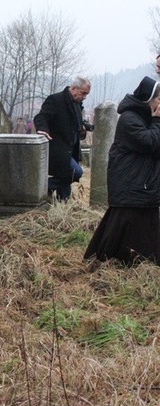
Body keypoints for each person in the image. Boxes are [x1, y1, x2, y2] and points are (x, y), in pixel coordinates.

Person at [84, 77, 160, 265]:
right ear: (148, 99)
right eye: (159, 98)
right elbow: (149, 142)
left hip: (142, 183)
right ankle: (108, 260)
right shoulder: (129, 119)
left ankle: (142, 261)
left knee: (144, 223)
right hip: (130, 181)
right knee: (121, 223)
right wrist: (158, 121)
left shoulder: (144, 118)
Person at [33, 76, 91, 201]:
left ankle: (61, 207)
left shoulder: (77, 105)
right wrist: (43, 129)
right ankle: (42, 188)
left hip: (70, 150)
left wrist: (82, 129)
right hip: (58, 149)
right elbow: (41, 117)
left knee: (64, 190)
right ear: (74, 88)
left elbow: (74, 125)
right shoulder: (55, 100)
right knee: (76, 172)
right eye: (83, 93)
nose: (85, 97)